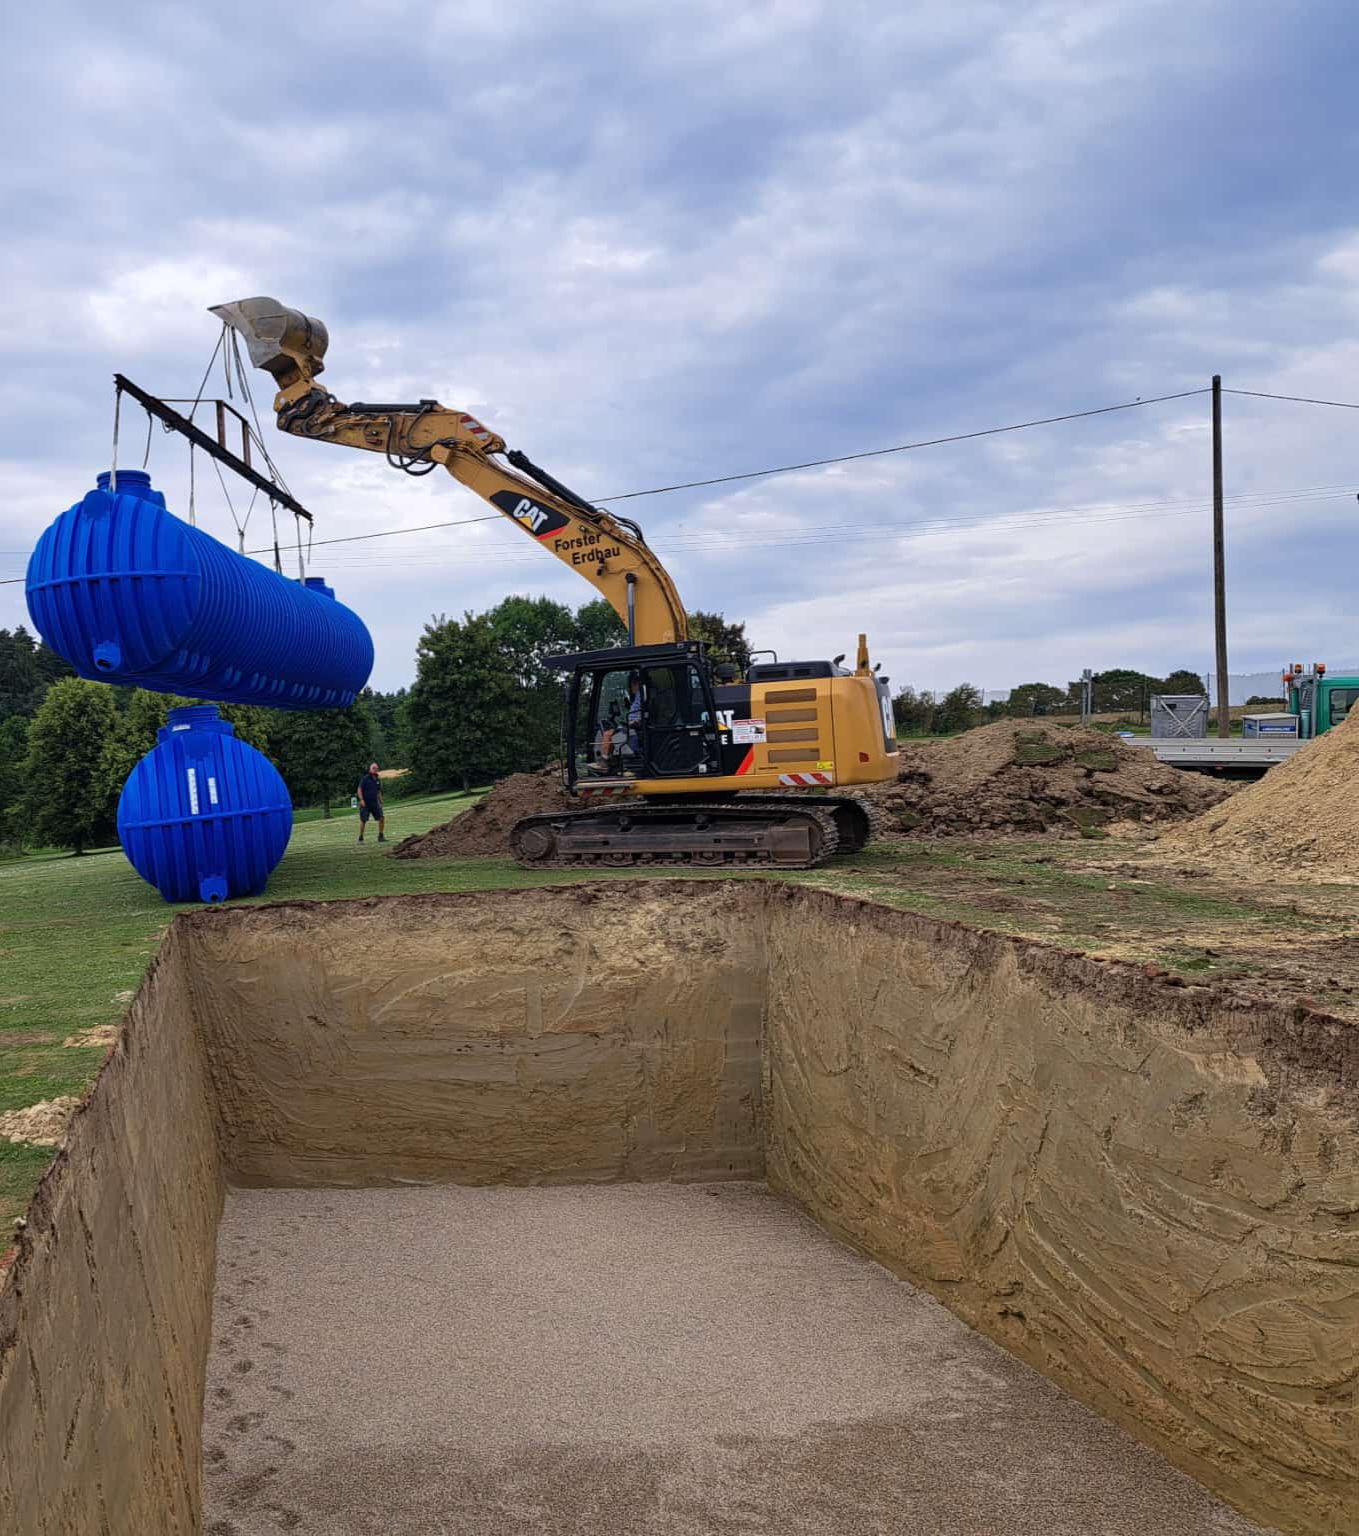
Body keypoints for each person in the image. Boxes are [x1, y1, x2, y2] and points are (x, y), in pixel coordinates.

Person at [356, 762, 385, 843]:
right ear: (370, 769)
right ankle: (361, 838)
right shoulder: (365, 778)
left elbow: (378, 791)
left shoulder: (378, 779)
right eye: (374, 768)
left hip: (375, 803)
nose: (375, 769)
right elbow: (359, 790)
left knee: (381, 818)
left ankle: (381, 836)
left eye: (377, 768)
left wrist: (381, 801)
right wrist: (361, 800)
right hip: (365, 803)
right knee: (363, 820)